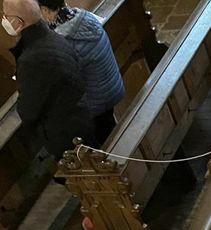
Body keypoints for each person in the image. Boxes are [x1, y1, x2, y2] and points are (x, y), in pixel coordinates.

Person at [3, 0, 93, 160]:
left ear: (17, 21)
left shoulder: (31, 60)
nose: (4, 20)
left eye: (6, 16)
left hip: (67, 136)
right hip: (82, 117)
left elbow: (28, 111)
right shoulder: (53, 36)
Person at [37, 0, 125, 146]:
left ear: (46, 11)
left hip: (97, 104)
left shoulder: (63, 41)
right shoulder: (82, 16)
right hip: (111, 87)